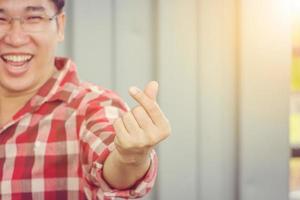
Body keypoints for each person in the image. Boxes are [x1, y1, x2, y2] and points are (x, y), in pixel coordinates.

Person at [0, 0, 171, 199]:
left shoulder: (94, 106)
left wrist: (129, 157)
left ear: (60, 26)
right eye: (1, 19)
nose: (15, 38)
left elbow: (111, 156)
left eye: (34, 18)